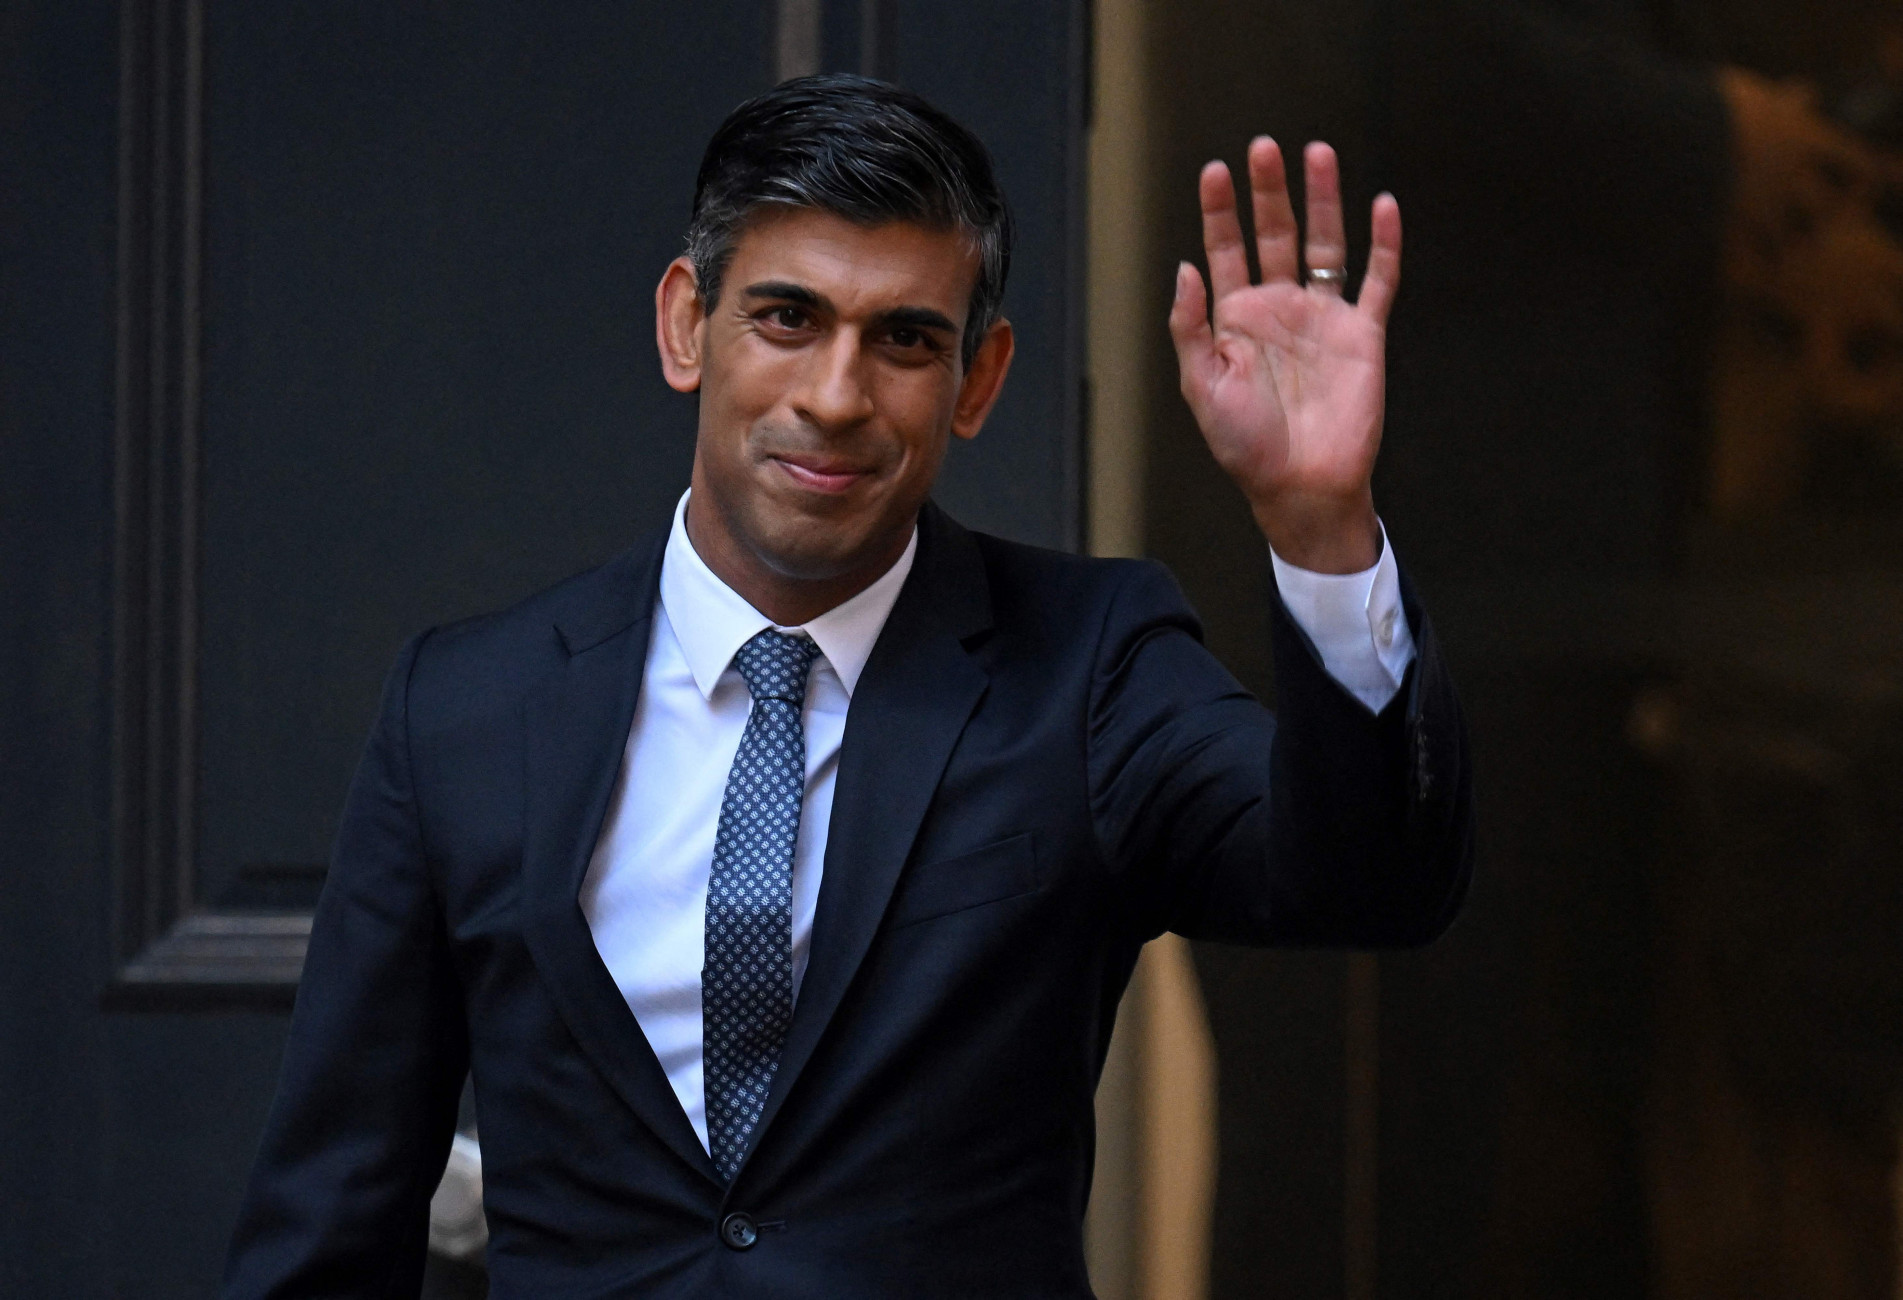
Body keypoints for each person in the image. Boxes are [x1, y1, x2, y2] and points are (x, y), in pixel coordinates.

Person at [222, 74, 1472, 1298]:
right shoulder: (466, 707)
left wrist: (1318, 524)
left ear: (977, 381)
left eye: (905, 341)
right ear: (683, 325)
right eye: (786, 318)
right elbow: (335, 1213)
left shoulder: (1087, 664)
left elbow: (1365, 880)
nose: (835, 396)